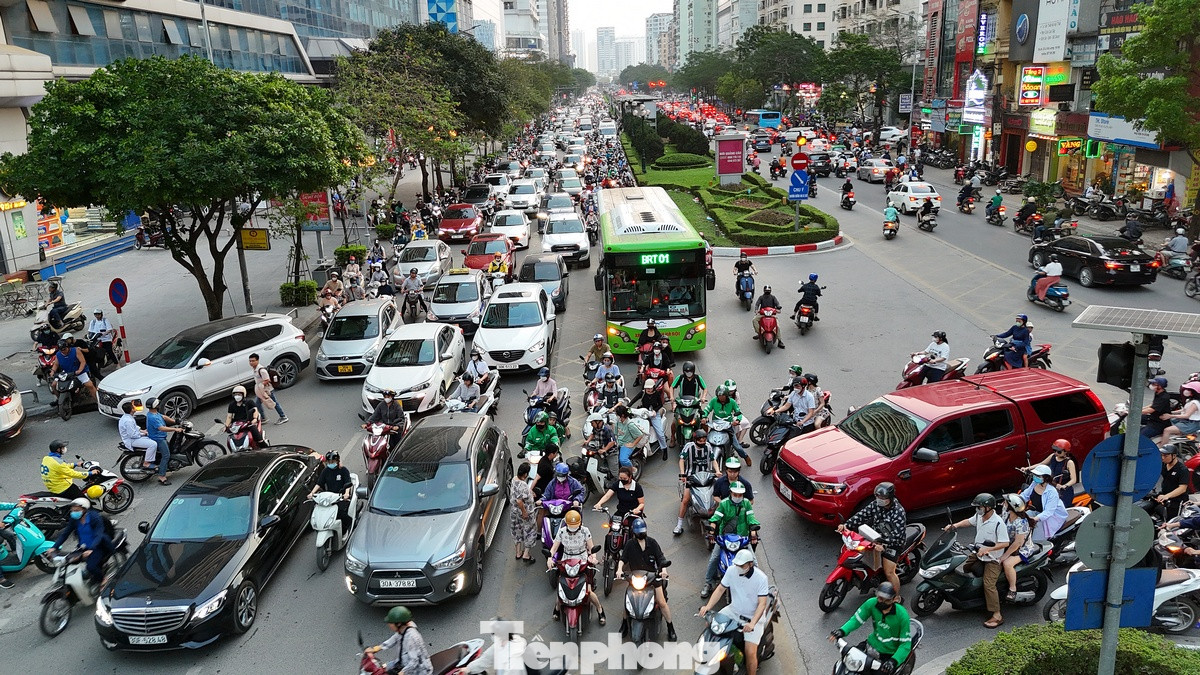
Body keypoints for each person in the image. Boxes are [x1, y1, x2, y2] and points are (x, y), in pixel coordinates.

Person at [698, 548, 771, 675]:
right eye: (737, 564)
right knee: (710, 624)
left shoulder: (761, 578)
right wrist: (707, 607)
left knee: (750, 653)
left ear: (750, 564)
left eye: (742, 566)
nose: (738, 568)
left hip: (752, 617)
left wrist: (752, 623)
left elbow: (762, 604)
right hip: (733, 610)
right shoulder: (732, 570)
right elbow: (720, 589)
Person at [944, 493, 1008, 628]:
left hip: (992, 558)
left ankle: (997, 615)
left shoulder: (998, 523)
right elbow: (969, 521)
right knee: (965, 568)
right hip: (978, 553)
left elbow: (1005, 543)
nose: (977, 509)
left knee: (989, 584)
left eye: (979, 507)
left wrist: (988, 549)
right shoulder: (979, 516)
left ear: (988, 507)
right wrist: (954, 526)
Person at [839, 482, 908, 597]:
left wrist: (884, 545)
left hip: (893, 544)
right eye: (878, 496)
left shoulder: (898, 512)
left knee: (889, 572)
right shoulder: (875, 504)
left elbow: (897, 536)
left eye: (883, 498)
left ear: (890, 498)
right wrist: (846, 525)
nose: (880, 500)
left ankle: (896, 597)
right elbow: (862, 515)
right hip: (874, 537)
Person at [828, 581, 912, 675]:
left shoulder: (902, 615)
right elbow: (856, 620)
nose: (881, 601)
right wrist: (842, 630)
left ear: (894, 599)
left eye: (886, 600)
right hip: (871, 644)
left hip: (888, 653)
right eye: (880, 598)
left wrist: (893, 661)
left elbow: (905, 644)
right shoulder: (871, 603)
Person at [545, 510, 606, 625]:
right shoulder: (562, 532)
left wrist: (593, 558)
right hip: (566, 562)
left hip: (582, 561)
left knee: (589, 591)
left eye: (575, 525)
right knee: (562, 588)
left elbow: (591, 548)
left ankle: (599, 609)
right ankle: (557, 608)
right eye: (571, 525)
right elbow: (554, 548)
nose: (573, 528)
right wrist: (549, 558)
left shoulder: (585, 531)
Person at [621, 518, 677, 640]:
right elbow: (623, 559)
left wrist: (663, 570)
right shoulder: (630, 544)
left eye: (643, 531)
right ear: (634, 533)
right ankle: (624, 623)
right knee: (627, 601)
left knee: (662, 603)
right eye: (639, 532)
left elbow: (661, 558)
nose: (641, 533)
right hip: (635, 578)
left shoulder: (652, 543)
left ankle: (670, 627)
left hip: (652, 578)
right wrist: (619, 570)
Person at [702, 482, 760, 598]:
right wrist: (711, 531)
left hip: (742, 538)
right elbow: (715, 518)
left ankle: (756, 584)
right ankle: (708, 583)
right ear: (730, 493)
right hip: (725, 538)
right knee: (714, 558)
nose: (737, 497)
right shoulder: (724, 504)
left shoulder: (746, 503)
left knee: (753, 561)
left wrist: (753, 534)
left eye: (740, 495)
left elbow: (751, 519)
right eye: (735, 494)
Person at [47, 498, 113, 583]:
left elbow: (98, 535)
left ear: (84, 509)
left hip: (98, 546)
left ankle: (103, 580)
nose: (74, 512)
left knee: (91, 567)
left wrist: (91, 549)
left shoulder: (95, 518)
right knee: (68, 563)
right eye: (72, 510)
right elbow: (65, 534)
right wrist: (54, 547)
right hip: (83, 547)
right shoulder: (74, 519)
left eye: (77, 510)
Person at [675, 429, 720, 535]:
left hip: (706, 477)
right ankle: (679, 525)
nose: (702, 442)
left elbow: (713, 460)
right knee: (686, 500)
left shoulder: (708, 446)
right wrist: (683, 474)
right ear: (695, 440)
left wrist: (717, 471)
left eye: (704, 440)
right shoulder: (689, 447)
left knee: (716, 498)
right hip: (691, 477)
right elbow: (681, 460)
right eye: (700, 440)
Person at [365, 606, 433, 675]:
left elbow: (414, 661)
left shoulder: (412, 638)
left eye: (390, 623)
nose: (389, 625)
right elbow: (393, 639)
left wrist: (402, 672)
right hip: (402, 662)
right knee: (381, 669)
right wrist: (376, 649)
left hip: (418, 670)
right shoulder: (403, 629)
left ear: (399, 624)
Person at [999, 494, 1040, 603]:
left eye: (1005, 502)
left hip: (1022, 549)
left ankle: (1012, 589)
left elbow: (1018, 543)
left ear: (1011, 506)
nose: (1003, 504)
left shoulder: (1021, 522)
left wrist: (1004, 556)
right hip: (1007, 545)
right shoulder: (1006, 514)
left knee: (1007, 564)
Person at [308, 451, 354, 534]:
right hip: (329, 498)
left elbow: (348, 482)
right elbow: (319, 483)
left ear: (337, 461)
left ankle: (347, 528)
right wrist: (312, 493)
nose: (331, 463)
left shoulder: (343, 470)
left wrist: (346, 493)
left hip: (341, 497)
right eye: (329, 462)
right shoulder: (326, 471)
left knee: (340, 513)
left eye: (333, 461)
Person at [1024, 439, 1079, 506]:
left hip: (1063, 491)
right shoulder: (1052, 456)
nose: (1056, 453)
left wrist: (1064, 486)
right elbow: (1041, 464)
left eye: (1059, 451)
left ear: (1065, 451)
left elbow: (1073, 479)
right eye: (1054, 450)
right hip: (1051, 486)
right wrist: (1028, 468)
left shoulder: (1069, 462)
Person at [1020, 465, 1067, 542]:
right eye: (1035, 475)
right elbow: (1025, 495)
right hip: (1035, 512)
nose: (1035, 477)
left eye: (1038, 476)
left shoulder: (1052, 492)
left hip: (1048, 518)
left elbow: (1048, 512)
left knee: (1036, 540)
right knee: (1020, 521)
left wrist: (1035, 519)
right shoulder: (1034, 483)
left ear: (1046, 478)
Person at [705, 386, 750, 464]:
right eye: (719, 396)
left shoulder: (732, 402)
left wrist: (737, 420)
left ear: (726, 395)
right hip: (715, 426)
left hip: (728, 426)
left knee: (737, 446)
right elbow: (707, 409)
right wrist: (704, 417)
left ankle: (745, 457)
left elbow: (739, 413)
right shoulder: (714, 401)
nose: (720, 397)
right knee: (706, 442)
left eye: (722, 396)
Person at [144, 397, 181, 485]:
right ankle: (162, 476)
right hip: (158, 439)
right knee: (166, 455)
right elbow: (161, 428)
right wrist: (175, 429)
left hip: (159, 437)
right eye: (158, 404)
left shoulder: (152, 413)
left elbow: (163, 417)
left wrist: (175, 421)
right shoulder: (153, 417)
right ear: (155, 406)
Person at [1151, 444, 1191, 521]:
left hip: (1177, 501)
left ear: (1174, 456)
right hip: (1164, 498)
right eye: (1161, 455)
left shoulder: (1182, 470)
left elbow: (1182, 488)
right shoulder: (1163, 466)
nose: (1162, 458)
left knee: (1172, 521)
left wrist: (1167, 496)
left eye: (1166, 456)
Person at [629, 378, 671, 451]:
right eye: (647, 388)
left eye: (650, 388)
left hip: (654, 414)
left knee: (660, 434)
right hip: (643, 413)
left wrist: (655, 410)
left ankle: (664, 448)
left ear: (653, 387)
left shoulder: (656, 394)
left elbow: (660, 404)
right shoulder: (642, 393)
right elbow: (633, 401)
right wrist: (627, 407)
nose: (648, 390)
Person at [510, 462, 538, 563]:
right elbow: (519, 501)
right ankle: (526, 554)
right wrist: (524, 512)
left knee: (517, 530)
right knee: (530, 531)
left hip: (514, 512)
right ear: (526, 474)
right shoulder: (523, 485)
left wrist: (530, 493)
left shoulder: (514, 479)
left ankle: (518, 552)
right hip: (525, 513)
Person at [249, 353, 288, 425]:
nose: (251, 362)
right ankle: (263, 418)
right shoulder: (255, 369)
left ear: (257, 360)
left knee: (274, 403)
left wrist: (261, 385)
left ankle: (283, 416)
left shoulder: (261, 370)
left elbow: (267, 380)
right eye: (250, 361)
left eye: (253, 361)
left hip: (267, 390)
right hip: (261, 391)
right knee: (257, 403)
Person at [118, 400, 158, 467]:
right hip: (132, 440)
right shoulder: (128, 421)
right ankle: (146, 463)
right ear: (132, 410)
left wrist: (142, 431)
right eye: (133, 406)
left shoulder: (127, 417)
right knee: (153, 444)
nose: (135, 406)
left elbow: (134, 427)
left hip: (133, 438)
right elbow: (132, 435)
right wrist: (143, 434)